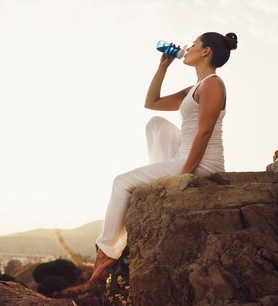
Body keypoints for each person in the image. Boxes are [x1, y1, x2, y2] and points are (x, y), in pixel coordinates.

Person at [89, 31, 238, 287]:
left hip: (203, 163)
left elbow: (204, 132)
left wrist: (185, 174)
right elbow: (152, 102)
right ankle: (157, 177)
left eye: (194, 44)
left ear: (206, 52)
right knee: (156, 124)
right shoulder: (196, 88)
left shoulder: (213, 83)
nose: (187, 47)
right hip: (185, 155)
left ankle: (107, 251)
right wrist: (163, 67)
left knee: (120, 182)